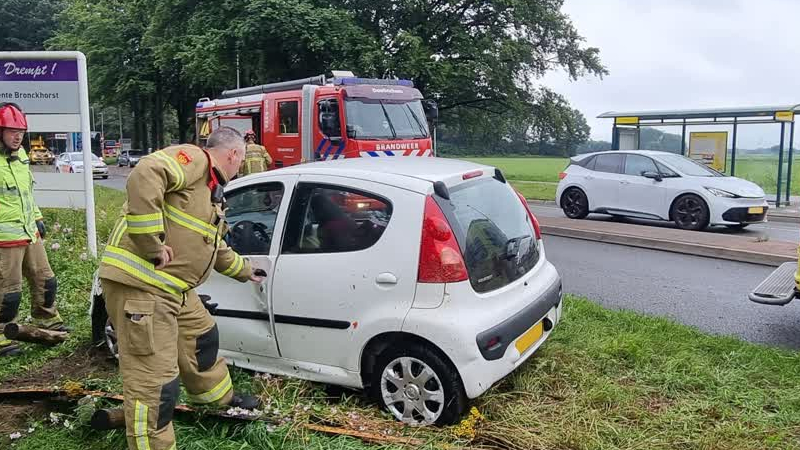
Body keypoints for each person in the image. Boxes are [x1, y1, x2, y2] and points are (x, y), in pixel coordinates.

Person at [98, 126, 264, 450]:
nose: (240, 167)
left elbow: (211, 249)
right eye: (241, 161)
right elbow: (145, 174)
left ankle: (217, 401)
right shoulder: (195, 162)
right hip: (142, 288)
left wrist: (246, 271)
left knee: (201, 338)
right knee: (156, 383)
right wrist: (152, 244)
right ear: (233, 154)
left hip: (174, 290)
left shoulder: (211, 191)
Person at [0, 103, 67, 357]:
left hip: (29, 232)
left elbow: (26, 194)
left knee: (45, 278)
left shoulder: (21, 158)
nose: (17, 136)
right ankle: (2, 334)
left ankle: (47, 319)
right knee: (8, 290)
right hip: (5, 239)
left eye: (21, 132)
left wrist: (37, 217)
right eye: (11, 131)